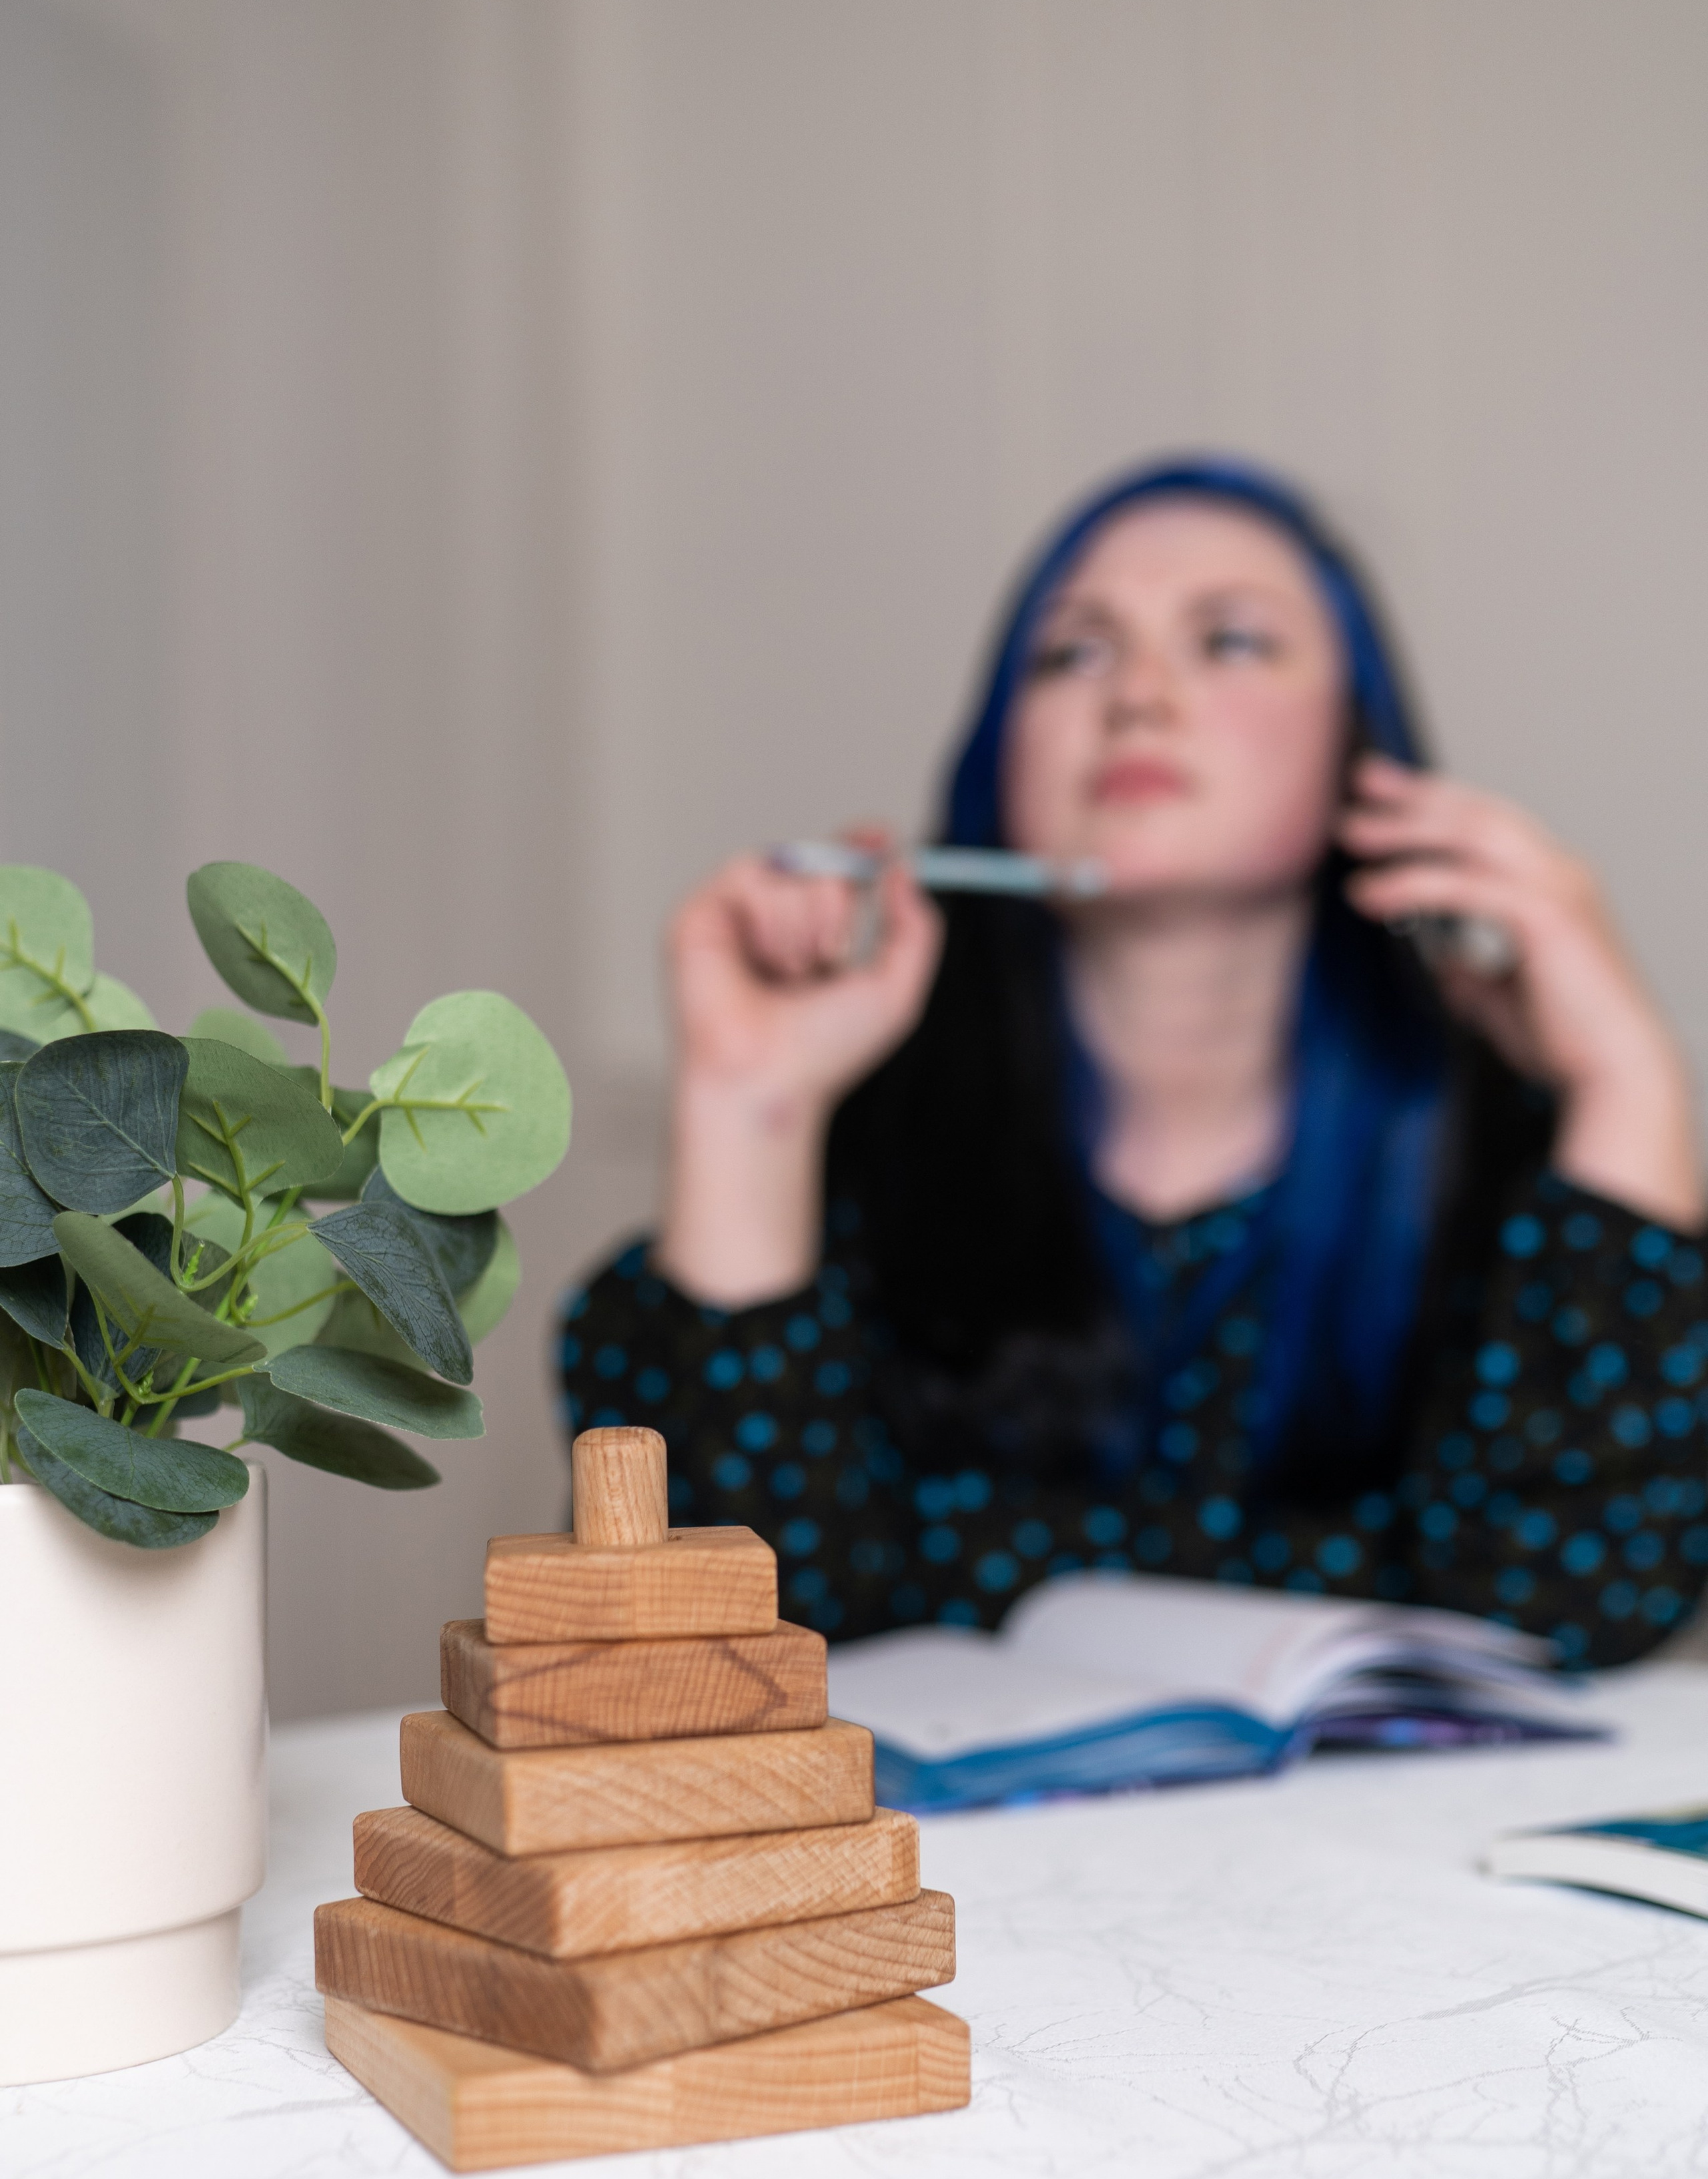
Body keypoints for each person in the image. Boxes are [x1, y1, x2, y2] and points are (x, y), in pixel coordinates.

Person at [560, 459, 1708, 1667]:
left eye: (1231, 642)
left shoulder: (1513, 1191)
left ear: (1361, 758)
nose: (1141, 697)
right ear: (1000, 771)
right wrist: (752, 1109)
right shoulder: (849, 1181)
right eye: (1074, 655)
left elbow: (1582, 1618)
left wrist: (1626, 1077)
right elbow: (690, 1650)